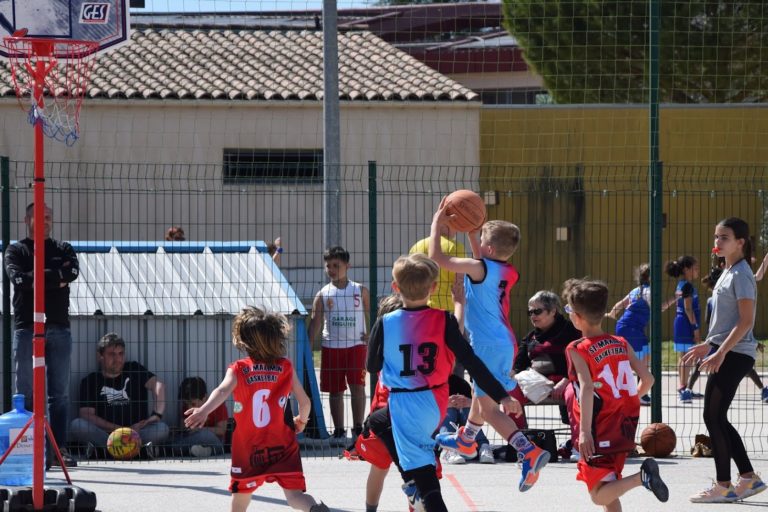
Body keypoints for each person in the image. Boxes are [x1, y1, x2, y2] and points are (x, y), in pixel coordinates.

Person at [366, 253, 531, 512]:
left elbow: (371, 366)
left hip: (405, 402)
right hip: (436, 401)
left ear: (395, 288)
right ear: (433, 288)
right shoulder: (444, 319)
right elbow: (472, 362)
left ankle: (416, 484)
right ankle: (422, 468)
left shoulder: (385, 322)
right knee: (377, 422)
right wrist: (502, 395)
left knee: (425, 479)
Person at [428, 204, 550, 493]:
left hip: (488, 345)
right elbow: (482, 262)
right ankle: (466, 439)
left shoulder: (479, 267)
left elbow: (437, 258)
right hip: (503, 342)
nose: (478, 243)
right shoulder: (507, 270)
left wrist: (437, 223)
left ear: (490, 248)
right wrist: (474, 235)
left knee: (489, 408)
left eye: (482, 239)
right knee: (479, 395)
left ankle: (528, 451)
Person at [185, 307, 328, 512]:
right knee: (296, 496)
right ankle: (315, 509)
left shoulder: (239, 369)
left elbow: (222, 391)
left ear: (244, 341)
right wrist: (302, 421)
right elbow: (305, 402)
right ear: (276, 338)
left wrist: (204, 410)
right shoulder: (285, 367)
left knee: (241, 499)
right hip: (283, 447)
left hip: (249, 449)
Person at [563, 278, 668, 511]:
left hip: (599, 428)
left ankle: (642, 478)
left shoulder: (577, 348)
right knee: (610, 489)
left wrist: (584, 432)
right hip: (625, 425)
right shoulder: (621, 343)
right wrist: (629, 400)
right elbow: (648, 379)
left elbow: (587, 388)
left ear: (577, 317)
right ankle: (641, 478)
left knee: (598, 495)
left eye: (569, 310)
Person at [683, 218, 767, 503]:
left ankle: (723, 486)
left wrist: (719, 353)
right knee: (716, 417)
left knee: (713, 416)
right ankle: (748, 478)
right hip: (726, 351)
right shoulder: (729, 271)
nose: (717, 242)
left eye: (724, 238)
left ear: (740, 242)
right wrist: (709, 344)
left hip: (734, 354)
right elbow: (727, 321)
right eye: (716, 237)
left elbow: (745, 322)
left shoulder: (741, 274)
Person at [4, 202, 80, 468]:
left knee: (59, 394)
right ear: (27, 220)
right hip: (27, 328)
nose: (45, 220)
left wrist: (36, 277)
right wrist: (54, 278)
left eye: (49, 216)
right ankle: (27, 449)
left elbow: (72, 273)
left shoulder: (63, 248)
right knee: (25, 392)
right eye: (40, 216)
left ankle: (58, 450)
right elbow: (18, 280)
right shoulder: (16, 250)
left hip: (58, 327)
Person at [308, 246, 370, 445]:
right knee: (335, 391)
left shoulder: (360, 290)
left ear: (347, 266)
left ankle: (358, 428)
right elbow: (315, 323)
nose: (332, 269)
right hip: (331, 347)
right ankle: (338, 431)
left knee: (357, 387)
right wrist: (307, 348)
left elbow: (371, 314)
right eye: (328, 266)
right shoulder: (323, 294)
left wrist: (371, 334)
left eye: (336, 265)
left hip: (356, 346)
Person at [70, 333, 169, 454]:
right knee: (77, 425)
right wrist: (120, 430)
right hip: (107, 434)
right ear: (100, 356)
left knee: (162, 429)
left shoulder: (134, 368)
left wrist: (156, 415)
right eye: (112, 354)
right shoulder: (90, 380)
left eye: (121, 354)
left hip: (137, 432)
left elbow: (159, 385)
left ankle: (105, 451)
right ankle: (136, 451)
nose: (117, 359)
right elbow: (86, 415)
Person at [512, 290, 582, 460]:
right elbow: (518, 367)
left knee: (575, 394)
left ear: (553, 311)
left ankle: (578, 446)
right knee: (511, 392)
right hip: (538, 383)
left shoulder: (572, 331)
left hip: (568, 380)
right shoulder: (530, 337)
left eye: (537, 311)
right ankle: (520, 445)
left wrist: (565, 381)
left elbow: (581, 362)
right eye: (530, 312)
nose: (533, 316)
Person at [605, 264, 675, 405]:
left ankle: (626, 390)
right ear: (649, 277)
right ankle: (640, 394)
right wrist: (676, 297)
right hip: (632, 329)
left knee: (636, 358)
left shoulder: (636, 290)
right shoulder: (648, 291)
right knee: (643, 358)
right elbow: (659, 308)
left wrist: (612, 314)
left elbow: (620, 304)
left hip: (626, 326)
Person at [666, 255, 701, 403]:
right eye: (695, 268)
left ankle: (684, 388)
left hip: (682, 322)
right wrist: (696, 328)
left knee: (684, 357)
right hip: (686, 324)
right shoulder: (687, 286)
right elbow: (688, 308)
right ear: (686, 269)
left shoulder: (682, 284)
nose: (698, 271)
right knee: (687, 357)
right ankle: (683, 389)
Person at [408, 224, 465, 312]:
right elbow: (459, 281)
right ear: (447, 225)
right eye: (455, 225)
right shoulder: (456, 247)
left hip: (419, 306)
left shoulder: (416, 246)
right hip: (447, 307)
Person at [172, 377, 228, 457]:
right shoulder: (187, 407)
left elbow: (222, 430)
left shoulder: (218, 405)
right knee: (175, 437)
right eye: (186, 403)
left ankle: (179, 449)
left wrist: (199, 429)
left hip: (214, 440)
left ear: (204, 398)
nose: (189, 407)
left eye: (193, 404)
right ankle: (202, 451)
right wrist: (187, 428)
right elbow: (183, 426)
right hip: (192, 438)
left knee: (205, 435)